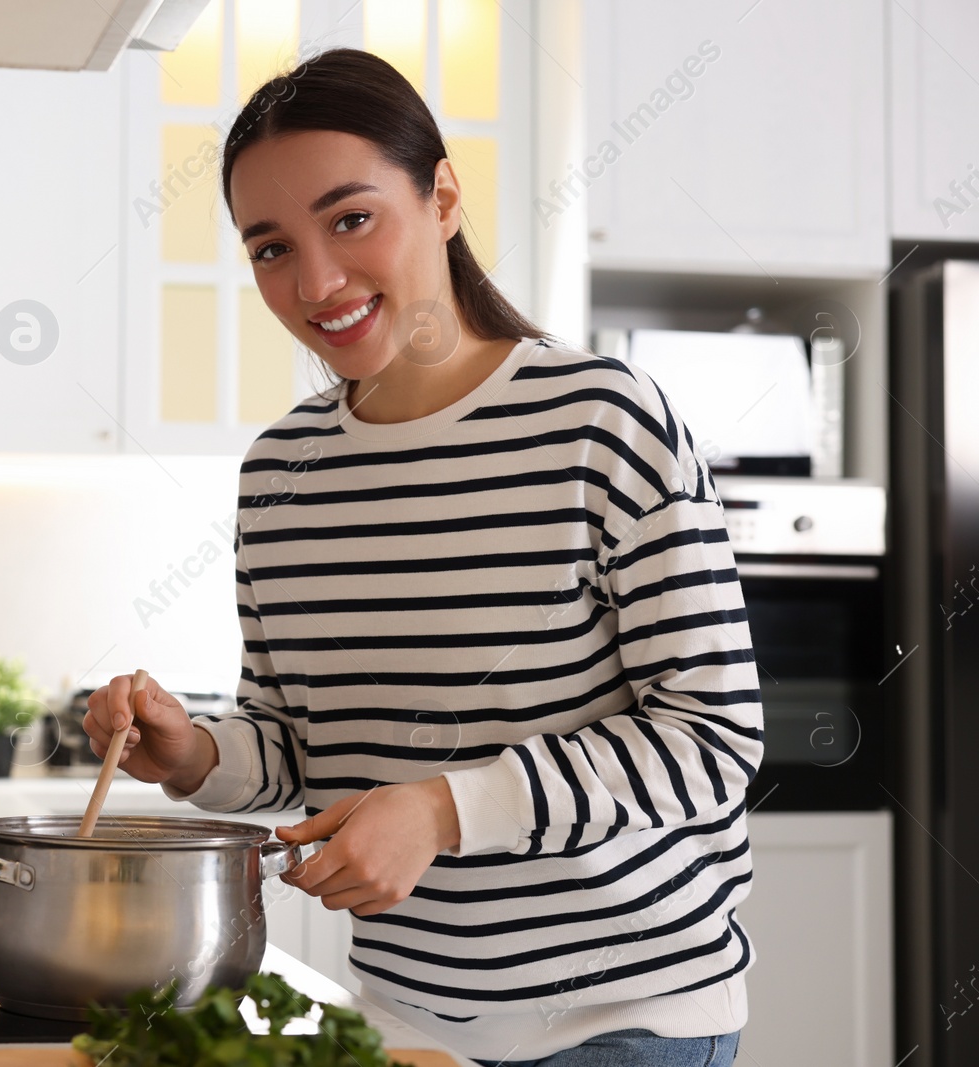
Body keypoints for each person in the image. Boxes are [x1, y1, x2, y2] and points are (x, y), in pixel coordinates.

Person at [85, 48, 760, 1067]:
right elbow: (299, 748)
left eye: (351, 218)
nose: (314, 281)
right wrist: (192, 755)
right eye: (269, 247)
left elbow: (712, 737)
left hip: (621, 1015)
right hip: (405, 1018)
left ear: (442, 195)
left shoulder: (603, 421)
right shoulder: (279, 472)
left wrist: (445, 809)